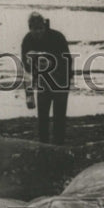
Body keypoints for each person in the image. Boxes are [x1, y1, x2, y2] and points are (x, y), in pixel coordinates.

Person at [21, 12, 72, 144]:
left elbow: (68, 61)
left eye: (40, 28)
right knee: (42, 118)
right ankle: (43, 148)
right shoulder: (27, 41)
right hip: (43, 82)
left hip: (61, 81)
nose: (38, 32)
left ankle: (59, 148)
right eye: (34, 29)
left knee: (59, 119)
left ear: (45, 27)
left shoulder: (57, 37)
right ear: (29, 28)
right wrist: (29, 95)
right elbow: (26, 71)